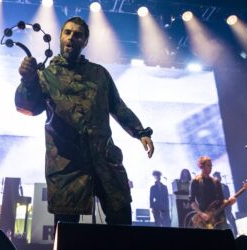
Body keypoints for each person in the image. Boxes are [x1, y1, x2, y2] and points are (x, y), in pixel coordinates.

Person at [15, 17, 154, 228]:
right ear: (61, 37)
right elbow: (27, 107)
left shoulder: (99, 74)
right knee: (67, 231)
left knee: (122, 220)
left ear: (85, 41)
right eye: (67, 32)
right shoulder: (45, 75)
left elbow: (117, 106)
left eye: (78, 34)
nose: (72, 37)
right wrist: (27, 81)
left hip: (104, 160)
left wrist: (140, 131)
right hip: (67, 166)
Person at [189, 156, 236, 230]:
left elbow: (221, 201)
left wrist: (230, 202)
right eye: (208, 165)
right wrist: (201, 214)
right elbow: (192, 201)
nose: (211, 167)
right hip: (205, 219)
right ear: (202, 166)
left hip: (220, 218)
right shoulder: (195, 181)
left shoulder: (216, 182)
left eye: (211, 165)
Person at [212, 171, 237, 236]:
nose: (218, 177)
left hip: (226, 208)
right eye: (216, 176)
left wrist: (229, 206)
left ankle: (234, 236)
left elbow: (228, 197)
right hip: (218, 210)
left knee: (233, 222)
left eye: (219, 176)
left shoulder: (225, 186)